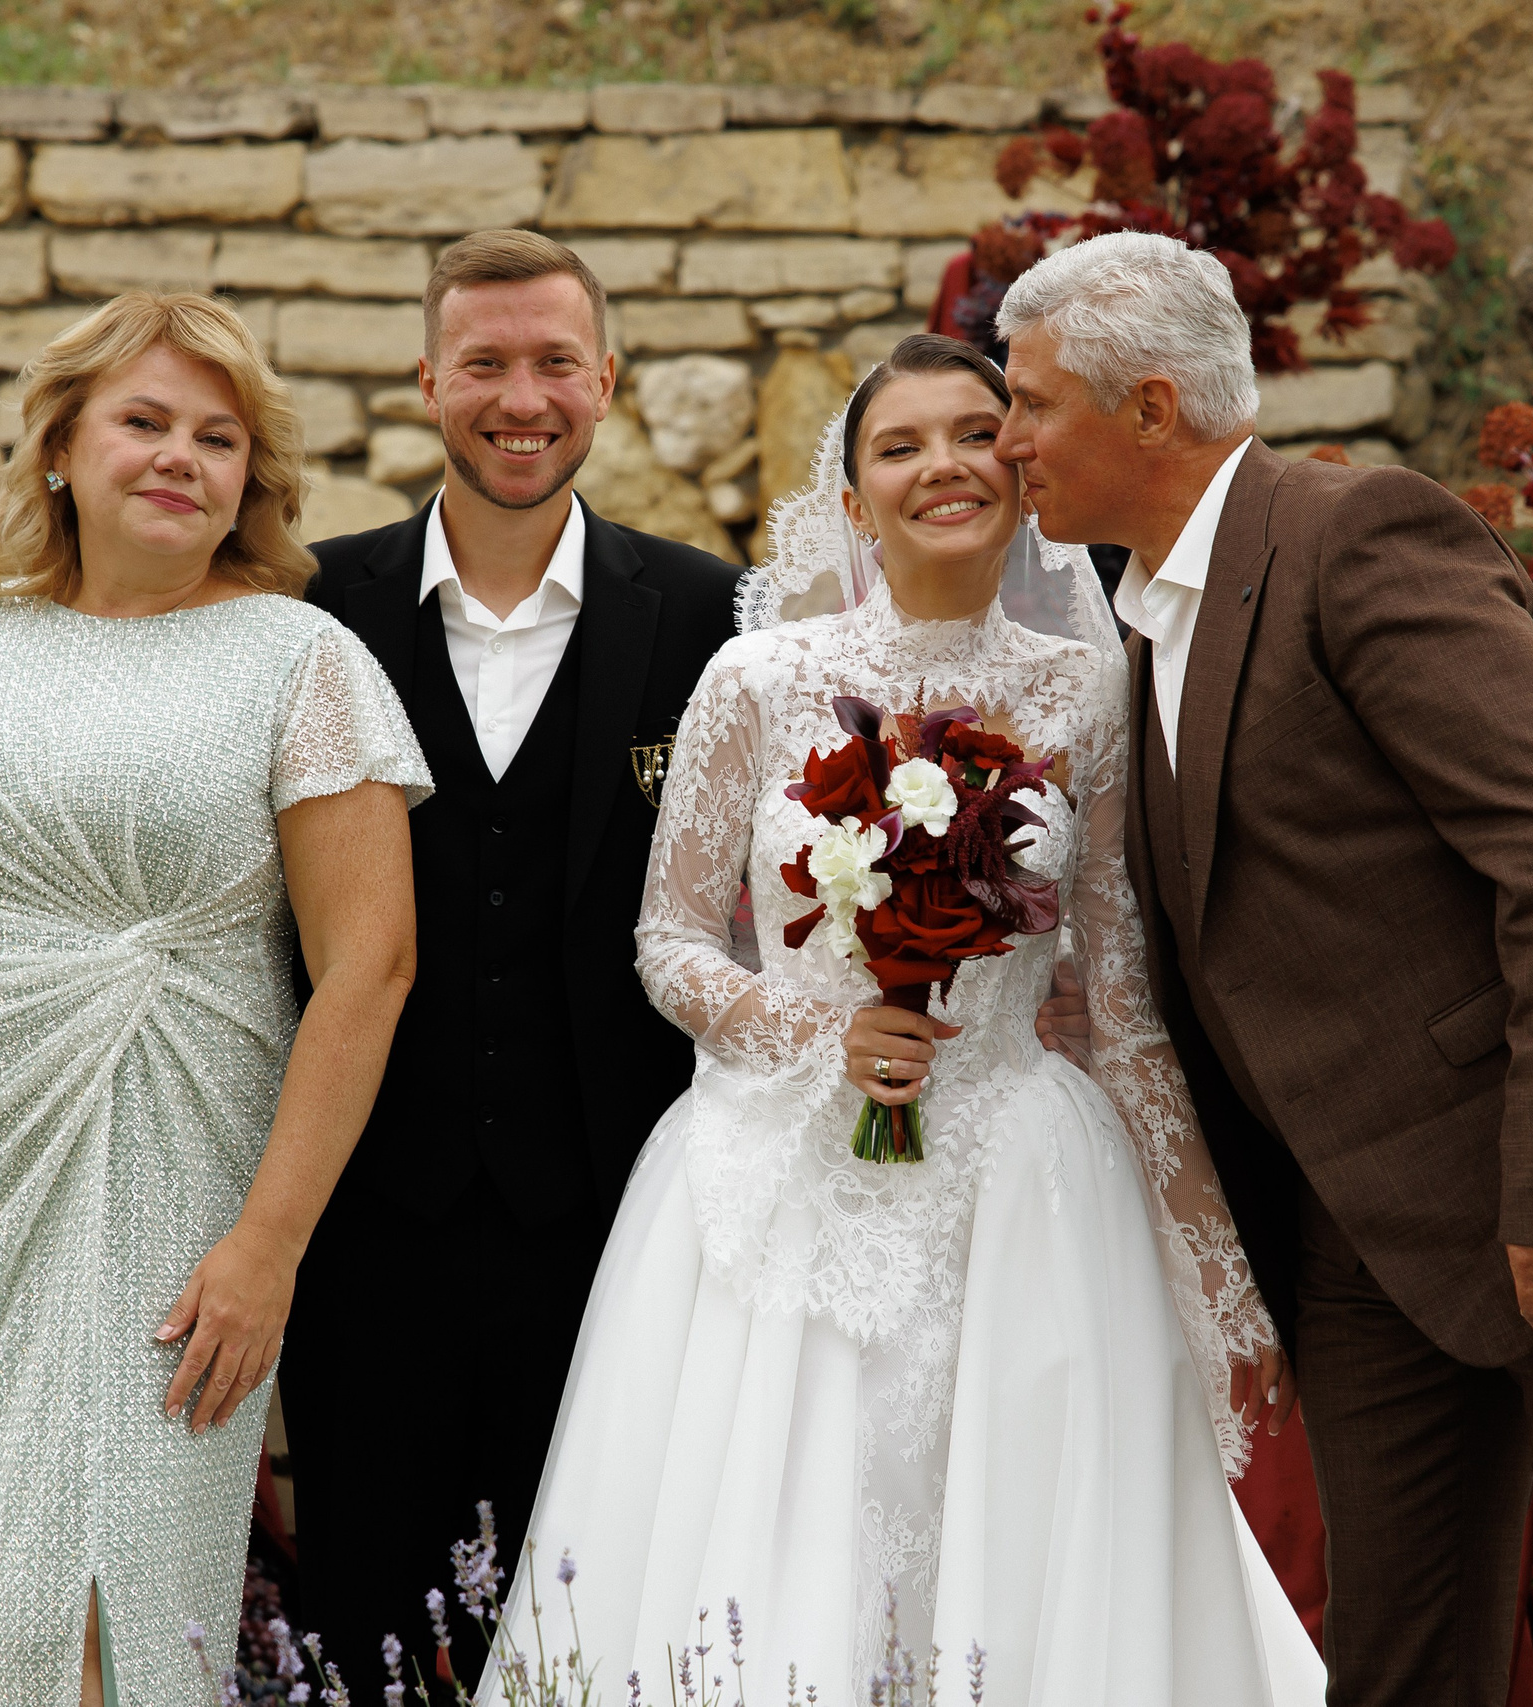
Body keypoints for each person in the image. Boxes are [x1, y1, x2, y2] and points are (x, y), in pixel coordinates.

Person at [993, 231, 1533, 1707]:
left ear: (1154, 411)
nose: (1008, 438)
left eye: (1033, 401)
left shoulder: (1359, 537)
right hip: (1368, 1233)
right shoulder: (1143, 621)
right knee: (1393, 1655)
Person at [488, 334, 1324, 1707]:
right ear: (853, 500)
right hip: (781, 1173)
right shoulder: (755, 680)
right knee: (781, 1538)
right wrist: (818, 1037)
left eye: (975, 433)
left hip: (1022, 1186)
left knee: (1020, 1537)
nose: (943, 463)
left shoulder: (1088, 688)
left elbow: (1122, 1003)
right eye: (899, 445)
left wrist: (1210, 1271)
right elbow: (670, 940)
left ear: (1021, 469)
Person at [0, 290, 430, 1707]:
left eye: (218, 438)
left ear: (249, 483)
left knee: (113, 1610)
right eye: (143, 422)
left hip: (171, 1189)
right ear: (61, 450)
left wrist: (267, 1248)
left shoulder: (303, 660)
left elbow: (370, 971)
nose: (179, 457)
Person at [278, 231, 745, 1686]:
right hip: (361, 1224)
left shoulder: (717, 615)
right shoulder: (307, 605)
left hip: (613, 1226)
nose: (520, 396)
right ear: (427, 380)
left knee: (592, 1625)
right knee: (362, 1621)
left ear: (606, 381)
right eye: (485, 362)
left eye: (555, 362)